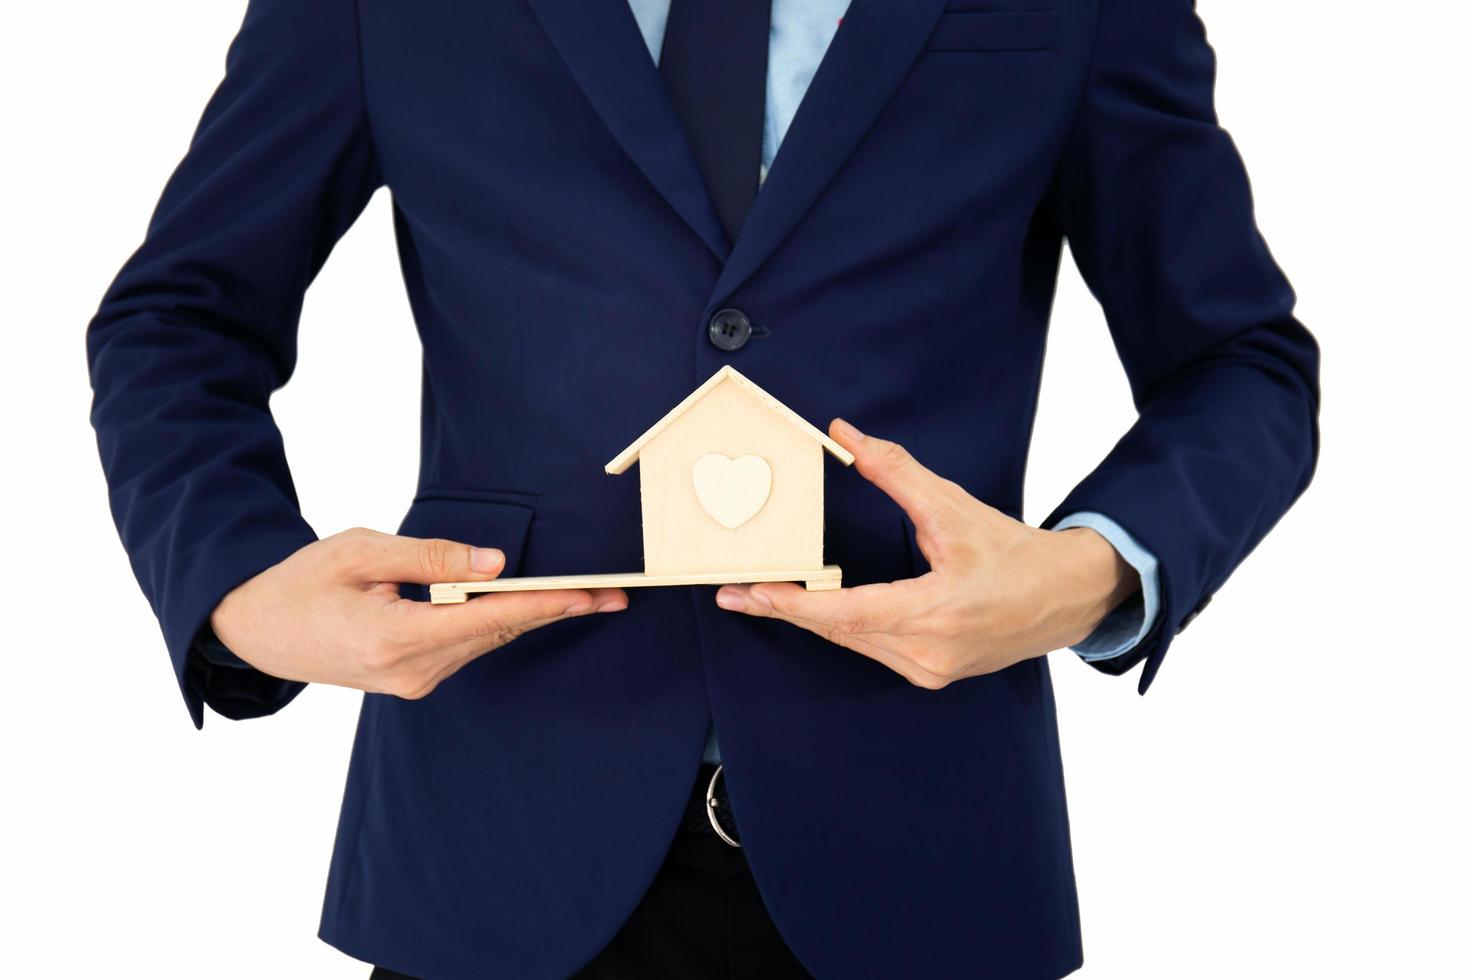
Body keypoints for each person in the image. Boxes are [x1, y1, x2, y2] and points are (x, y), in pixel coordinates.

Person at [85, 0, 1320, 977]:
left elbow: (1240, 364)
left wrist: (1091, 571)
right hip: (495, 845)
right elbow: (177, 320)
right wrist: (242, 584)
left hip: (925, 852)